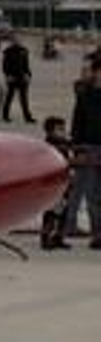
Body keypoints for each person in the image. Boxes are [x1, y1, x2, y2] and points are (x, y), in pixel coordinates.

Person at [66, 56, 101, 249]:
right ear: (96, 73)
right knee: (91, 194)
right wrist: (76, 148)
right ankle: (97, 234)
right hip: (89, 148)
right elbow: (77, 123)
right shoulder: (85, 96)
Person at [40, 116, 74, 250]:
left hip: (64, 181)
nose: (63, 131)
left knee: (63, 211)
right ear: (50, 131)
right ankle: (46, 237)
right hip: (53, 183)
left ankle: (58, 237)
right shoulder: (49, 145)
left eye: (63, 128)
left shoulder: (64, 143)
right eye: (59, 129)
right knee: (51, 212)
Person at [0, 36, 34, 123]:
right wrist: (7, 75)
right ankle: (5, 115)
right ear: (12, 41)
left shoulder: (24, 51)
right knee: (9, 98)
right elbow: (5, 65)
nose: (17, 41)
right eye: (15, 40)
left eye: (18, 40)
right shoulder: (8, 51)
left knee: (24, 99)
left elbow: (26, 64)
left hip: (22, 77)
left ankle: (27, 117)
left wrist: (28, 74)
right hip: (12, 77)